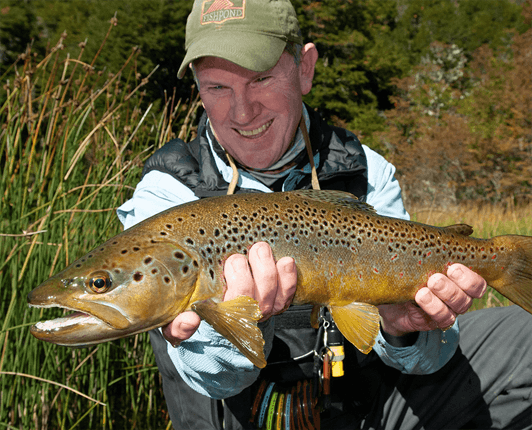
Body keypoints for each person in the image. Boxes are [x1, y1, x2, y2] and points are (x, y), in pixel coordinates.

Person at [117, 1, 532, 428]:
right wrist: (233, 328)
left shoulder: (366, 171)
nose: (242, 112)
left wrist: (405, 329)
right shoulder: (166, 199)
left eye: (260, 78)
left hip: (362, 412)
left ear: (305, 69)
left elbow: (427, 362)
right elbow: (212, 380)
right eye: (217, 87)